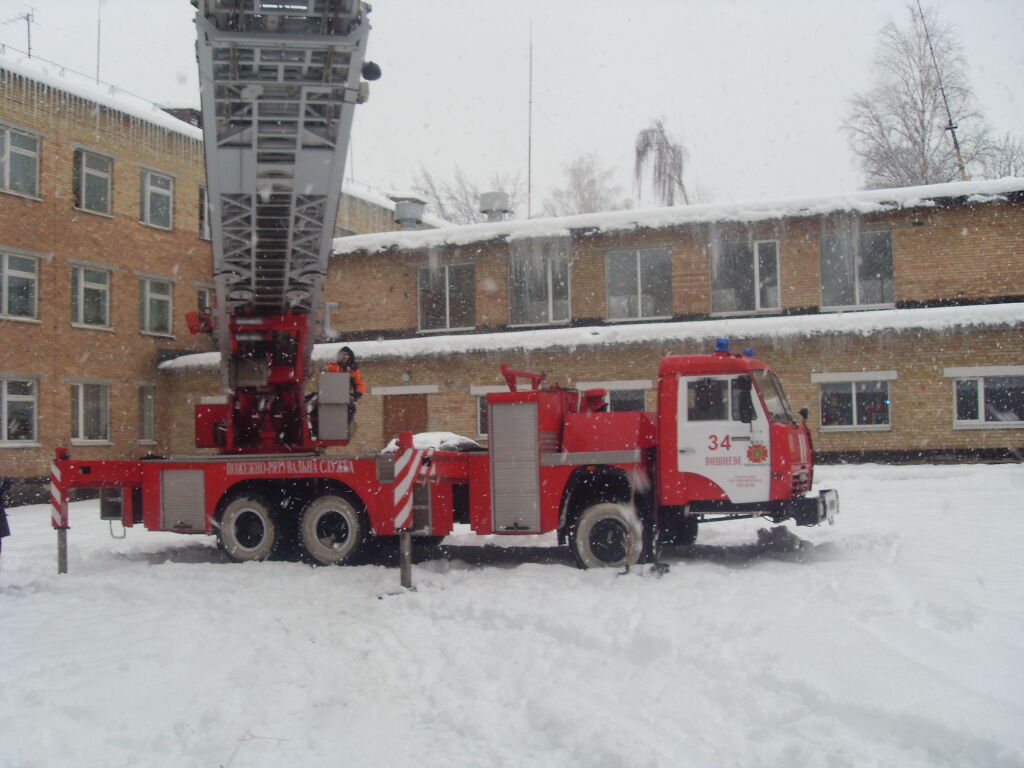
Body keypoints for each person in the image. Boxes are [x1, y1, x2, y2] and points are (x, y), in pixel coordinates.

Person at [325, 346, 366, 427]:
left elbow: (359, 384)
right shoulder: (333, 366)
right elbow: (326, 371)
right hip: (331, 395)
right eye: (342, 355)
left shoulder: (353, 370)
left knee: (351, 408)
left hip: (345, 396)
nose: (344, 357)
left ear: (350, 356)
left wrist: (356, 395)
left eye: (346, 355)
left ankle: (343, 427)